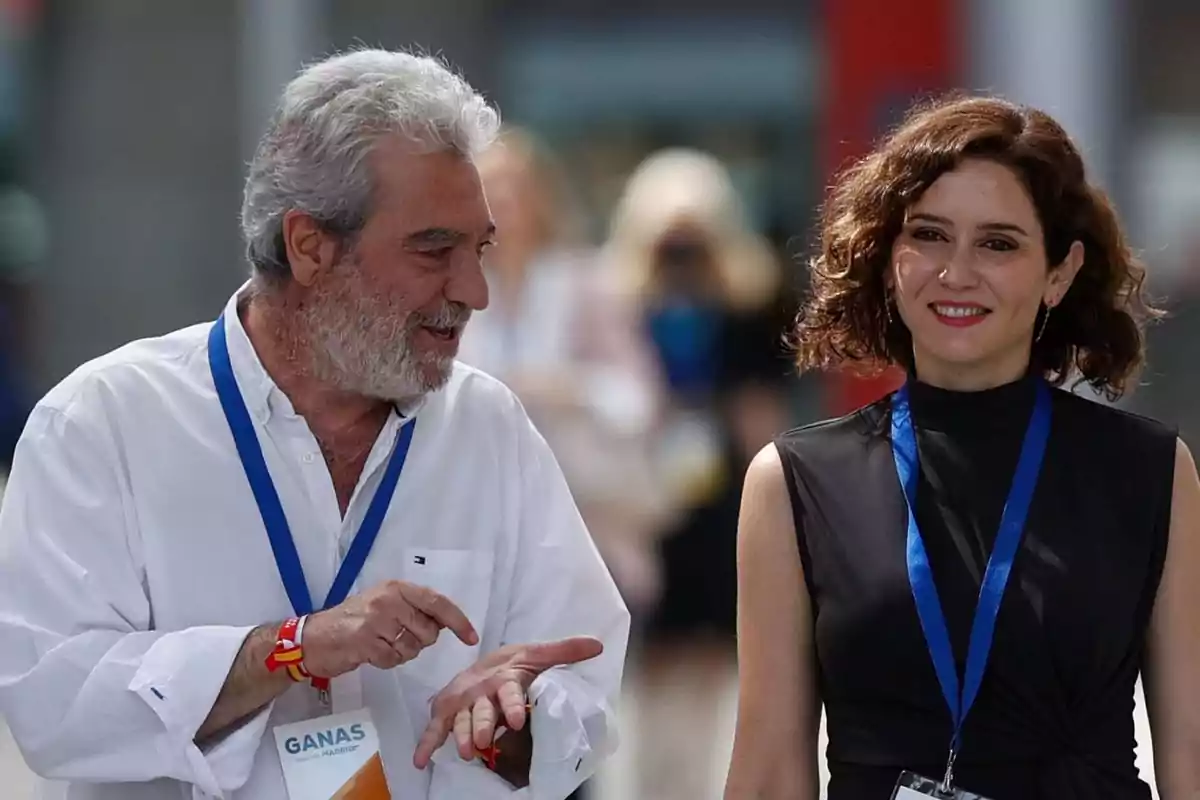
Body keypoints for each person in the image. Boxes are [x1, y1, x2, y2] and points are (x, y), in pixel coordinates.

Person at [0, 49, 629, 800]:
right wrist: (289, 652)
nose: (474, 292)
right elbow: (50, 703)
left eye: (480, 249)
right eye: (434, 251)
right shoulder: (103, 423)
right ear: (309, 247)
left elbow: (582, 689)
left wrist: (520, 723)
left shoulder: (487, 427)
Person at [723, 94, 1200, 799]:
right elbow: (767, 769)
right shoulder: (793, 481)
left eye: (998, 243)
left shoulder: (1150, 469)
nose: (956, 273)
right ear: (889, 259)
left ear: (1059, 273)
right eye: (929, 235)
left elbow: (1192, 745)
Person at [600, 148, 794, 800]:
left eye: (693, 242)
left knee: (714, 655)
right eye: (668, 243)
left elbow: (759, 413)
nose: (680, 257)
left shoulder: (746, 314)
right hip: (645, 499)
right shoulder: (622, 311)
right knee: (651, 654)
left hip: (719, 495)